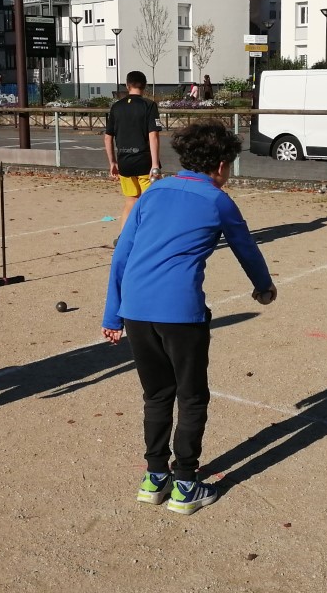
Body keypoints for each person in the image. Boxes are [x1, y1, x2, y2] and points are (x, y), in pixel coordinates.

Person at [101, 120, 277, 515]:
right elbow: (246, 249)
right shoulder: (218, 200)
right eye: (228, 165)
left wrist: (113, 315)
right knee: (192, 396)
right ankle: (185, 484)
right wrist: (264, 287)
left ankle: (153, 478)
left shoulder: (152, 192)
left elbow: (121, 254)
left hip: (136, 312)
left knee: (156, 396)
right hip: (181, 313)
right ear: (218, 165)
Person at [104, 70, 162, 239]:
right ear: (144, 86)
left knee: (131, 200)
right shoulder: (149, 105)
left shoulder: (117, 107)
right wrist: (155, 164)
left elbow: (108, 138)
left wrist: (112, 162)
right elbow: (153, 135)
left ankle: (123, 236)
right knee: (150, 202)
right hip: (144, 161)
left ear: (127, 85)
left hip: (124, 162)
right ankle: (150, 238)